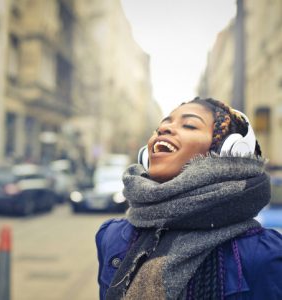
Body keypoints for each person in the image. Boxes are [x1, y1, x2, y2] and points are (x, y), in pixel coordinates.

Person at [96, 97, 282, 300]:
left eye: (189, 125)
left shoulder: (262, 255)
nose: (163, 130)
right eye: (162, 125)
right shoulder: (111, 236)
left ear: (226, 151)